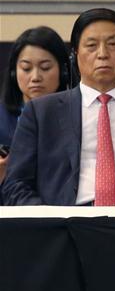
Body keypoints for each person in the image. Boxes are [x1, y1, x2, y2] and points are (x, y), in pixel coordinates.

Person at [2, 8, 115, 206]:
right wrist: (51, 222)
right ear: (75, 55)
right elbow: (16, 185)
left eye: (113, 44)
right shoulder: (41, 113)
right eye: (91, 45)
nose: (102, 54)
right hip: (64, 226)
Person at [0, 26, 71, 201]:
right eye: (26, 68)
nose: (35, 77)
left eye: (45, 68)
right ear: (13, 72)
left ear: (63, 71)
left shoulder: (80, 114)